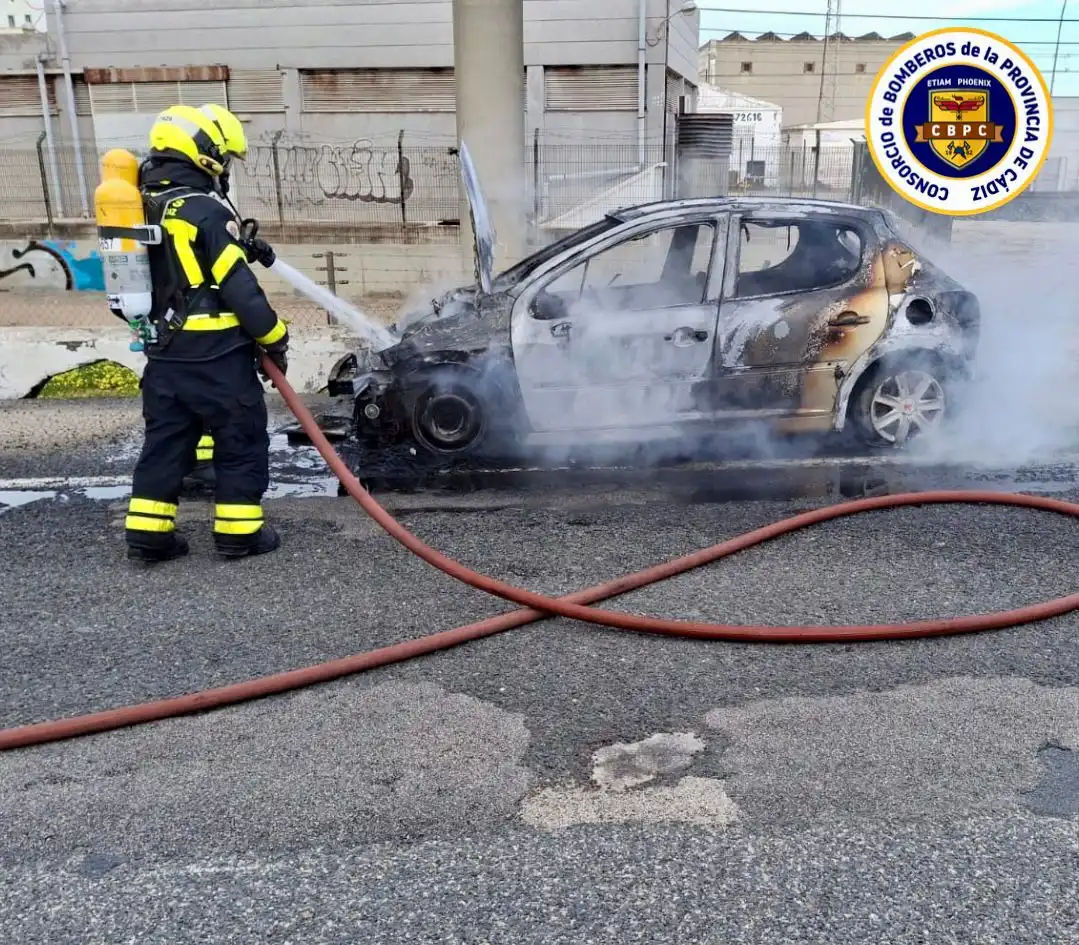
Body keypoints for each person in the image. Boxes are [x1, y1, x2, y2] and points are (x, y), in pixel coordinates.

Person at [124, 102, 288, 563]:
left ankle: (148, 536)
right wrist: (275, 336)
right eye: (226, 158)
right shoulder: (204, 212)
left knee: (165, 445)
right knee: (239, 440)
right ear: (205, 155)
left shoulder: (141, 208)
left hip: (164, 358)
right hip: (218, 359)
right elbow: (241, 289)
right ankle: (239, 534)